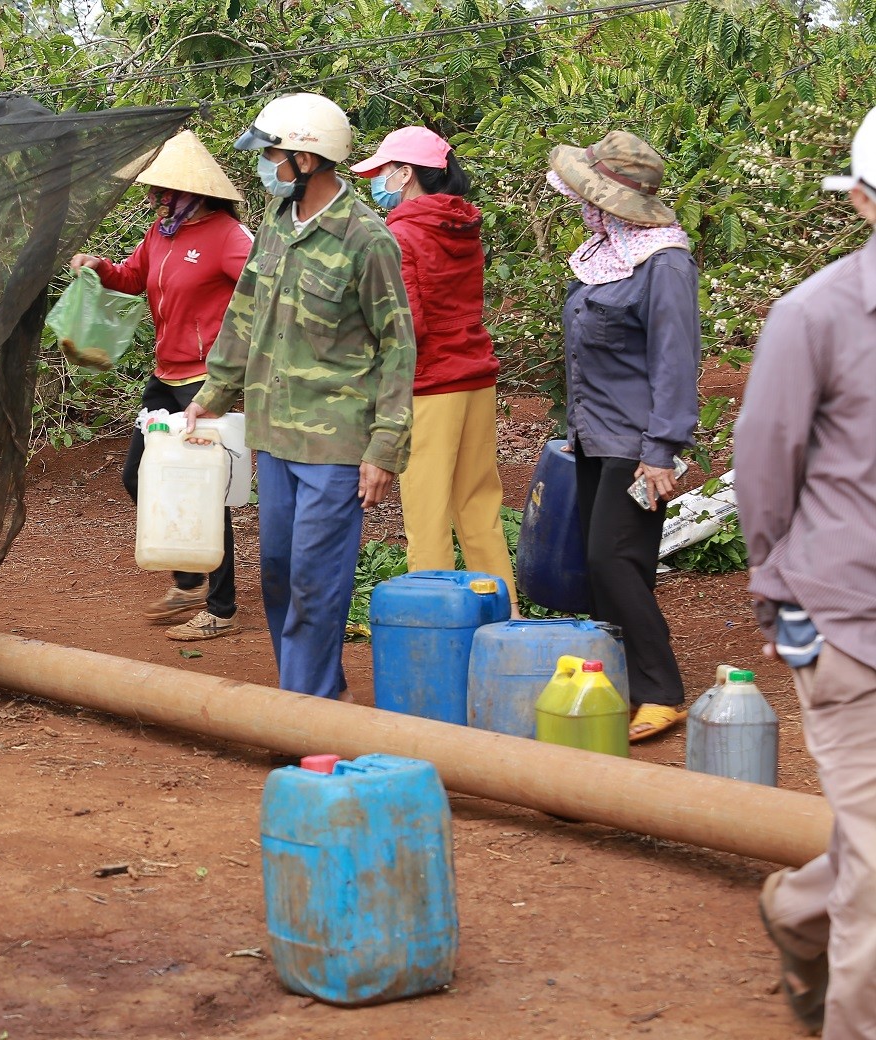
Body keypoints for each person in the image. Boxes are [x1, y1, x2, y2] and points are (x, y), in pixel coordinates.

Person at [183, 93, 416, 699]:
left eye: (273, 154)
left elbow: (398, 345)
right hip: (274, 432)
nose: (265, 163)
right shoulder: (276, 227)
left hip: (337, 442)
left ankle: (304, 712)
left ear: (307, 159)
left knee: (316, 580)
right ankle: (313, 695)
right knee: (281, 576)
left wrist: (385, 444)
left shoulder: (367, 240)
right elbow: (243, 314)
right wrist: (212, 395)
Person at [736, 105, 876, 1038]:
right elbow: (764, 466)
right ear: (866, 202)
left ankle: (795, 910)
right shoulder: (816, 315)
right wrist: (781, 594)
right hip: (850, 628)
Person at [70, 130, 254, 641]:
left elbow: (264, 288)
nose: (158, 197)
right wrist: (100, 267)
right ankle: (190, 575)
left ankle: (220, 609)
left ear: (196, 191)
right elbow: (134, 277)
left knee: (205, 492)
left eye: (166, 190)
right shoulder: (162, 232)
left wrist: (237, 359)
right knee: (139, 475)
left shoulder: (227, 236)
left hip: (205, 383)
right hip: (165, 374)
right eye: (158, 191)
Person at [546, 130, 699, 742]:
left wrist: (662, 449)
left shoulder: (665, 263)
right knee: (599, 563)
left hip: (637, 443)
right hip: (594, 433)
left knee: (616, 561)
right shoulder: (606, 253)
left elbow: (675, 358)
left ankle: (662, 691)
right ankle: (618, 683)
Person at [351, 126, 516, 604]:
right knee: (479, 508)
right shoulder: (461, 224)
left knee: (426, 514)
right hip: (475, 378)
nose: (376, 180)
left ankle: (437, 625)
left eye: (383, 171)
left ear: (405, 174)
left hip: (430, 387)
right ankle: (503, 622)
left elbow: (405, 329)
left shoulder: (399, 234)